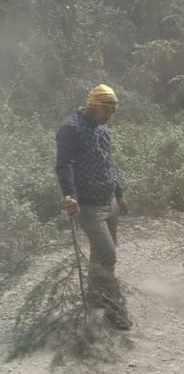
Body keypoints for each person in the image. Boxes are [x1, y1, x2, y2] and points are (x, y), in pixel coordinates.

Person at [55, 84, 132, 330]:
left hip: (109, 201)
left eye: (112, 111)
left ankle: (94, 297)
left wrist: (119, 195)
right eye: (106, 110)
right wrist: (69, 195)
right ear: (93, 105)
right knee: (108, 255)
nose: (109, 115)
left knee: (100, 254)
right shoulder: (71, 128)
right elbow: (64, 164)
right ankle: (115, 311)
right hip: (88, 205)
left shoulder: (103, 128)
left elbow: (108, 162)